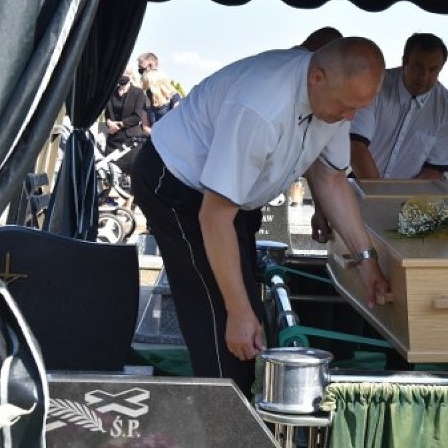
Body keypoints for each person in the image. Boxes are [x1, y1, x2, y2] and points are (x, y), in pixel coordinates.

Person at [130, 38, 389, 394]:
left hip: (225, 200)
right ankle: (227, 427)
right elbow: (215, 217)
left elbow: (331, 177)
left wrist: (366, 259)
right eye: (346, 107)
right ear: (317, 77)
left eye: (357, 109)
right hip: (174, 182)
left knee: (244, 308)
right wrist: (237, 311)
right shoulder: (260, 108)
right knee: (221, 315)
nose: (350, 118)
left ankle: (241, 400)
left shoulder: (336, 99)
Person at [349, 33, 448, 180]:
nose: (424, 75)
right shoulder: (376, 86)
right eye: (418, 67)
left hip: (408, 195)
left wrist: (408, 201)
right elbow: (356, 146)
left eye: (433, 70)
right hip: (359, 181)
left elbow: (435, 170)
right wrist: (378, 193)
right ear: (405, 61)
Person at [104, 75, 148, 175]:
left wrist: (119, 125)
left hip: (130, 141)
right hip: (113, 138)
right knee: (109, 173)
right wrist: (108, 122)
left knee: (128, 175)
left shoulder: (138, 92)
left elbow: (137, 117)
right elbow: (107, 114)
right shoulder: (111, 91)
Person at [140, 68, 181, 134]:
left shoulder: (174, 97)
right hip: (153, 138)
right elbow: (145, 127)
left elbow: (177, 121)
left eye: (147, 85)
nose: (145, 88)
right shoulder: (147, 99)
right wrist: (157, 136)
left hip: (169, 139)